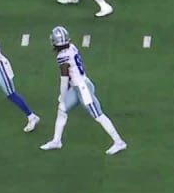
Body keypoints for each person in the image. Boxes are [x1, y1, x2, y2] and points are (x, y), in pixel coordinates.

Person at [40, 26, 127, 154]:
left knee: (98, 115)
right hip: (79, 86)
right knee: (62, 109)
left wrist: (62, 95)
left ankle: (119, 142)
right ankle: (56, 141)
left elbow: (64, 78)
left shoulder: (62, 57)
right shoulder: (72, 47)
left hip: (83, 89)